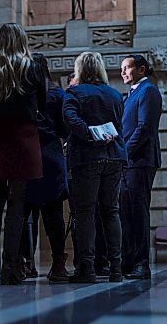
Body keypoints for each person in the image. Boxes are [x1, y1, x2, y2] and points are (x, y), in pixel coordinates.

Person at [0, 23, 46, 285]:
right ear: (22, 40)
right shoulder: (33, 68)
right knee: (17, 207)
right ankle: (10, 268)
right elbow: (42, 104)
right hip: (23, 136)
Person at [63, 51, 127, 283]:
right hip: (114, 157)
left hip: (87, 158)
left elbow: (69, 119)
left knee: (85, 213)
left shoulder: (75, 92)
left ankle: (87, 269)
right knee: (111, 211)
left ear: (80, 69)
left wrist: (90, 133)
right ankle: (116, 269)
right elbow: (120, 125)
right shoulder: (114, 94)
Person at [19, 53, 69, 282]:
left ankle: (22, 264)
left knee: (22, 214)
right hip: (51, 157)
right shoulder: (58, 93)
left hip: (27, 156)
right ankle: (59, 264)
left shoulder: (22, 94)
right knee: (54, 215)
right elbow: (64, 130)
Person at [119, 54, 163, 279]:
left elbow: (145, 128)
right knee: (126, 214)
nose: (123, 72)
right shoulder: (131, 94)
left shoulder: (149, 91)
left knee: (137, 213)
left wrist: (123, 152)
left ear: (142, 69)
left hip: (140, 161)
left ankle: (141, 265)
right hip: (129, 163)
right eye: (121, 69)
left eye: (127, 68)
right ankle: (128, 263)